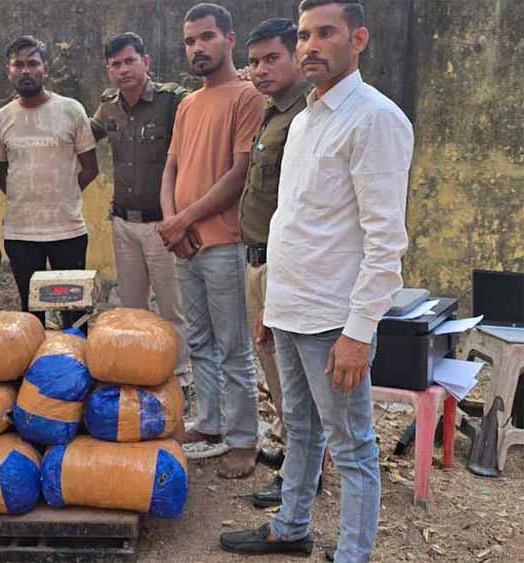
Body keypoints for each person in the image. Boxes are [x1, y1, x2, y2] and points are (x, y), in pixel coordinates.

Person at [219, 1, 413, 560]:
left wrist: (359, 333)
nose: (310, 46)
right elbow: (293, 222)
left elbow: (385, 242)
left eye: (326, 33)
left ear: (358, 40)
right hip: (292, 310)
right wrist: (272, 306)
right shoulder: (304, 120)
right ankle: (291, 528)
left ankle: (352, 553)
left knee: (351, 446)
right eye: (304, 35)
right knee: (300, 430)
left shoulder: (375, 120)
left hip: (334, 319)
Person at [157, 3, 265, 478]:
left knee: (233, 346)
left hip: (223, 244)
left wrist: (184, 221)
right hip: (185, 243)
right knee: (198, 339)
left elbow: (239, 174)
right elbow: (171, 167)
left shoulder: (247, 97)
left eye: (206, 37)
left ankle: (243, 439)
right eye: (189, 41)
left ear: (229, 39)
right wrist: (171, 223)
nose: (197, 48)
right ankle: (209, 423)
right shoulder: (187, 104)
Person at [90, 32, 193, 397]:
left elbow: (206, 111)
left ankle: (180, 378)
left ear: (146, 62)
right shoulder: (108, 107)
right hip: (123, 223)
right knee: (131, 308)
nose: (124, 69)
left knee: (171, 307)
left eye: (130, 61)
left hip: (162, 224)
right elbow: (82, 136)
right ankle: (138, 373)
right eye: (116, 64)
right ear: (108, 70)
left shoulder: (172, 102)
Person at [236, 18, 309, 508]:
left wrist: (278, 281)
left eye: (271, 59)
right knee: (274, 368)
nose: (260, 70)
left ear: (296, 57)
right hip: (257, 261)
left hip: (282, 265)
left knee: (290, 373)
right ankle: (293, 450)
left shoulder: (304, 117)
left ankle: (303, 471)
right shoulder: (274, 112)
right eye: (254, 62)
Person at [0, 35, 99, 329]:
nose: (26, 70)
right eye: (18, 64)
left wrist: (64, 194)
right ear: (8, 71)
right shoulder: (0, 119)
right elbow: (0, 172)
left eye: (33, 63)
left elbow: (90, 167)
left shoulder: (71, 110)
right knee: (31, 315)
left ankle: (74, 359)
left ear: (45, 69)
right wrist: (25, 197)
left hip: (68, 230)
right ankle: (37, 361)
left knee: (75, 314)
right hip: (21, 233)